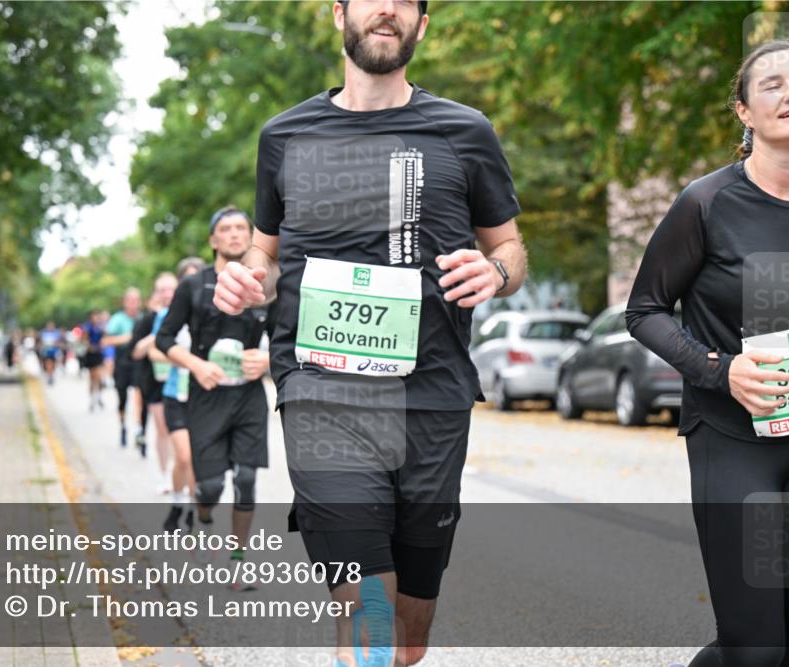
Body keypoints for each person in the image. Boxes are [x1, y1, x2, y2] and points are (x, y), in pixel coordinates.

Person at [214, 1, 527, 663]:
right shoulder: (285, 135)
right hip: (321, 392)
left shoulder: (465, 131)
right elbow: (264, 253)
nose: (386, 8)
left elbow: (511, 247)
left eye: (404, 0)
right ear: (339, 14)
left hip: (432, 395)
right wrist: (250, 278)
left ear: (422, 23)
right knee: (368, 608)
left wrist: (495, 271)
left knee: (411, 630)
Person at [627, 39, 789, 667]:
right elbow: (643, 311)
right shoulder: (706, 203)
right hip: (732, 442)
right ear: (744, 111)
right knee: (757, 648)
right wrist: (717, 368)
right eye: (773, 84)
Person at [157, 209, 274, 583]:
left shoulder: (266, 288)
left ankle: (238, 561)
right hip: (206, 397)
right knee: (209, 487)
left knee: (245, 478)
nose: (235, 234)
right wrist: (196, 365)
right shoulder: (193, 286)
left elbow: (289, 339)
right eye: (226, 229)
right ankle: (203, 514)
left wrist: (268, 359)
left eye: (242, 228)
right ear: (213, 240)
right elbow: (165, 339)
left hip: (248, 397)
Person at [149, 257, 206, 532]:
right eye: (189, 280)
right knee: (183, 457)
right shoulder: (167, 314)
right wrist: (183, 360)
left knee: (196, 458)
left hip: (202, 395)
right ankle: (176, 502)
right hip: (174, 393)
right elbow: (152, 349)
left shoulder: (212, 311)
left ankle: (194, 511)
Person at [131, 273, 178, 471]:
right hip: (155, 381)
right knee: (163, 429)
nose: (167, 294)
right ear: (156, 294)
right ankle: (165, 474)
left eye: (171, 289)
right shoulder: (150, 320)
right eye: (162, 290)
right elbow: (138, 351)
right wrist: (155, 338)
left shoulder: (189, 313)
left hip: (182, 381)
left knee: (178, 431)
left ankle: (181, 475)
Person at [102, 288, 143, 447]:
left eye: (136, 300)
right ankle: (123, 425)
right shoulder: (118, 319)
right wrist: (127, 338)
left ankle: (139, 428)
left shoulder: (142, 318)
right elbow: (106, 341)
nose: (133, 304)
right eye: (130, 300)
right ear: (125, 302)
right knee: (123, 398)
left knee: (139, 394)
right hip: (122, 362)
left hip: (138, 362)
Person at [82, 310, 107, 411]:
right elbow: (84, 340)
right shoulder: (87, 327)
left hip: (99, 354)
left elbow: (105, 337)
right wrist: (90, 346)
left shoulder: (101, 327)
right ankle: (92, 399)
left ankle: (99, 396)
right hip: (91, 355)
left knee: (100, 377)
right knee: (92, 378)